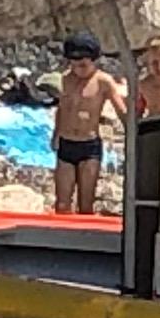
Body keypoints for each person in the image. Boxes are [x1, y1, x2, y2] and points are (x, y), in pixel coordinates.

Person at [50, 32, 123, 216]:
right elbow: (62, 108)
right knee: (62, 203)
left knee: (86, 204)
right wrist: (55, 134)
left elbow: (122, 110)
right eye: (74, 65)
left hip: (89, 145)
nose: (78, 70)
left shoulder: (103, 82)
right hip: (67, 143)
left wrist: (135, 130)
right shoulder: (66, 80)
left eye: (83, 65)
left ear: (94, 61)